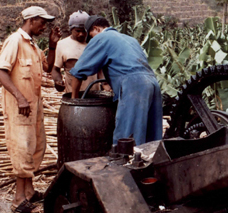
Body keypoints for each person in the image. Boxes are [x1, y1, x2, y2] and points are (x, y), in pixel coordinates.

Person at [0, 6, 61, 213]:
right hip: (19, 107)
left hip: (33, 107)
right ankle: (18, 199)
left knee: (35, 147)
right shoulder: (15, 41)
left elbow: (48, 68)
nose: (44, 27)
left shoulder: (32, 45)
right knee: (22, 150)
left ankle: (29, 192)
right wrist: (20, 97)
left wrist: (52, 46)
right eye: (42, 22)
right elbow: (0, 70)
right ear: (31, 20)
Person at [70, 16, 163, 146]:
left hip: (134, 86)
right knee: (150, 137)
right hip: (152, 82)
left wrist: (74, 100)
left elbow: (78, 72)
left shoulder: (101, 38)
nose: (91, 40)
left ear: (96, 29)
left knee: (127, 137)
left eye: (91, 36)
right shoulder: (130, 39)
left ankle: (126, 164)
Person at [51, 11, 101, 94]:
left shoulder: (95, 43)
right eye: (77, 31)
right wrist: (58, 81)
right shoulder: (62, 45)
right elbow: (55, 69)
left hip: (94, 95)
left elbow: (101, 70)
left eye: (84, 31)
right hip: (73, 95)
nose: (81, 34)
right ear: (71, 29)